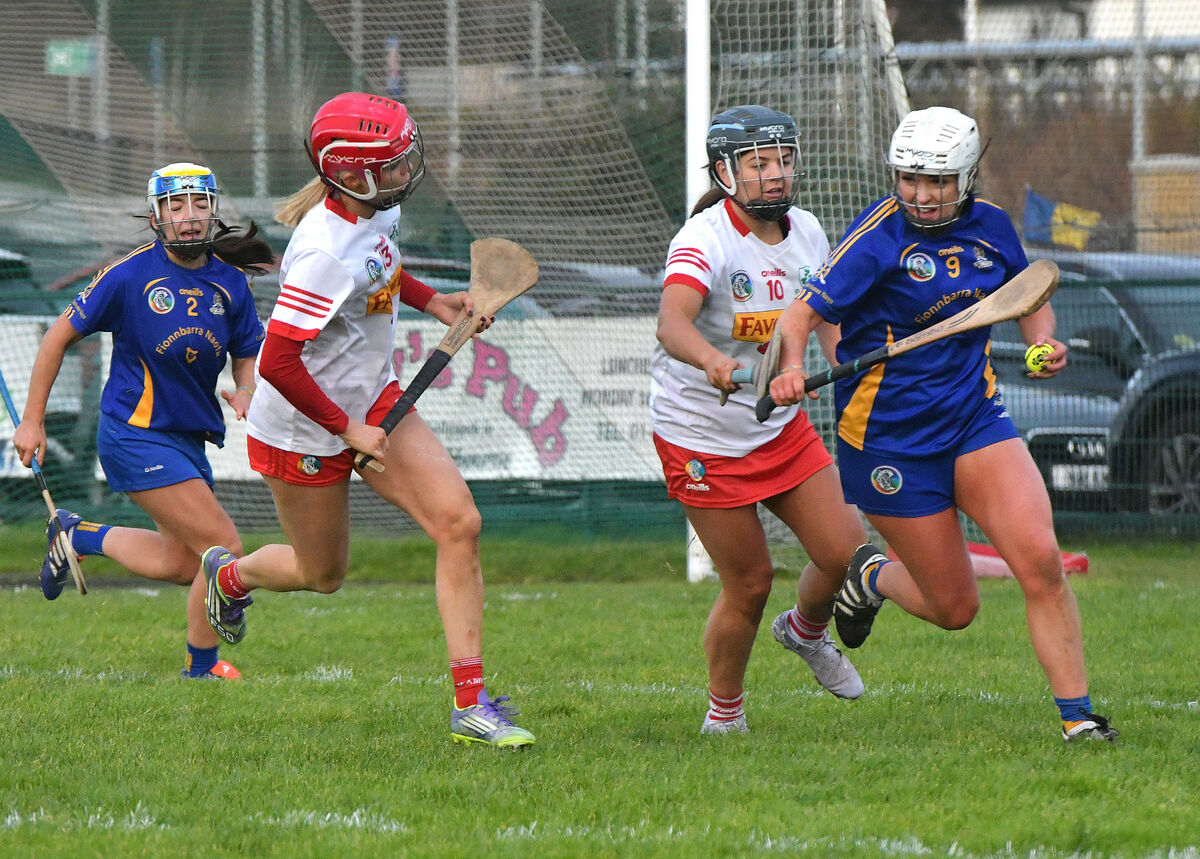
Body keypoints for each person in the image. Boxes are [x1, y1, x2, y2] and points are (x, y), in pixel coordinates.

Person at [766, 106, 1118, 743]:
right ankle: (869, 573)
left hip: (973, 419)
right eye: (910, 180)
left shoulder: (990, 228)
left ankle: (1079, 720)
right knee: (956, 609)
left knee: (1041, 561)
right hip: (888, 441)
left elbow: (1029, 294)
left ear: (969, 177)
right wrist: (791, 370)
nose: (922, 197)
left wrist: (1044, 344)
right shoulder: (878, 237)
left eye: (939, 183)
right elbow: (799, 318)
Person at [198, 92, 534, 748]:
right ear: (351, 174)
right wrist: (344, 430)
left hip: (371, 399)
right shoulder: (321, 253)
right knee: (322, 575)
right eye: (394, 163)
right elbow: (281, 363)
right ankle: (229, 574)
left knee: (459, 522)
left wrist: (438, 303)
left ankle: (471, 705)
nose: (408, 171)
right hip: (300, 423)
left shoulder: (377, 209)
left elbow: (382, 268)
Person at [651, 104, 885, 735]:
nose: (775, 175)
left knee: (845, 553)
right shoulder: (704, 239)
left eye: (783, 160)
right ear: (726, 172)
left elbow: (825, 314)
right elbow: (672, 323)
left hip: (777, 426)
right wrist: (713, 364)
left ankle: (804, 631)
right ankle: (724, 714)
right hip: (701, 435)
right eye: (758, 164)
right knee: (750, 581)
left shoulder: (807, 229)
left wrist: (847, 366)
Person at [13, 162, 274, 680]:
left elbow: (247, 349)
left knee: (182, 564)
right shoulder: (129, 275)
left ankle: (76, 536)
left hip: (188, 439)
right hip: (133, 435)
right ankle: (201, 670)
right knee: (225, 549)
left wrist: (245, 389)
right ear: (156, 216)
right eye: (175, 206)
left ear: (213, 210)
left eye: (200, 204)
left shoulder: (230, 282)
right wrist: (31, 422)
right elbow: (57, 339)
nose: (190, 217)